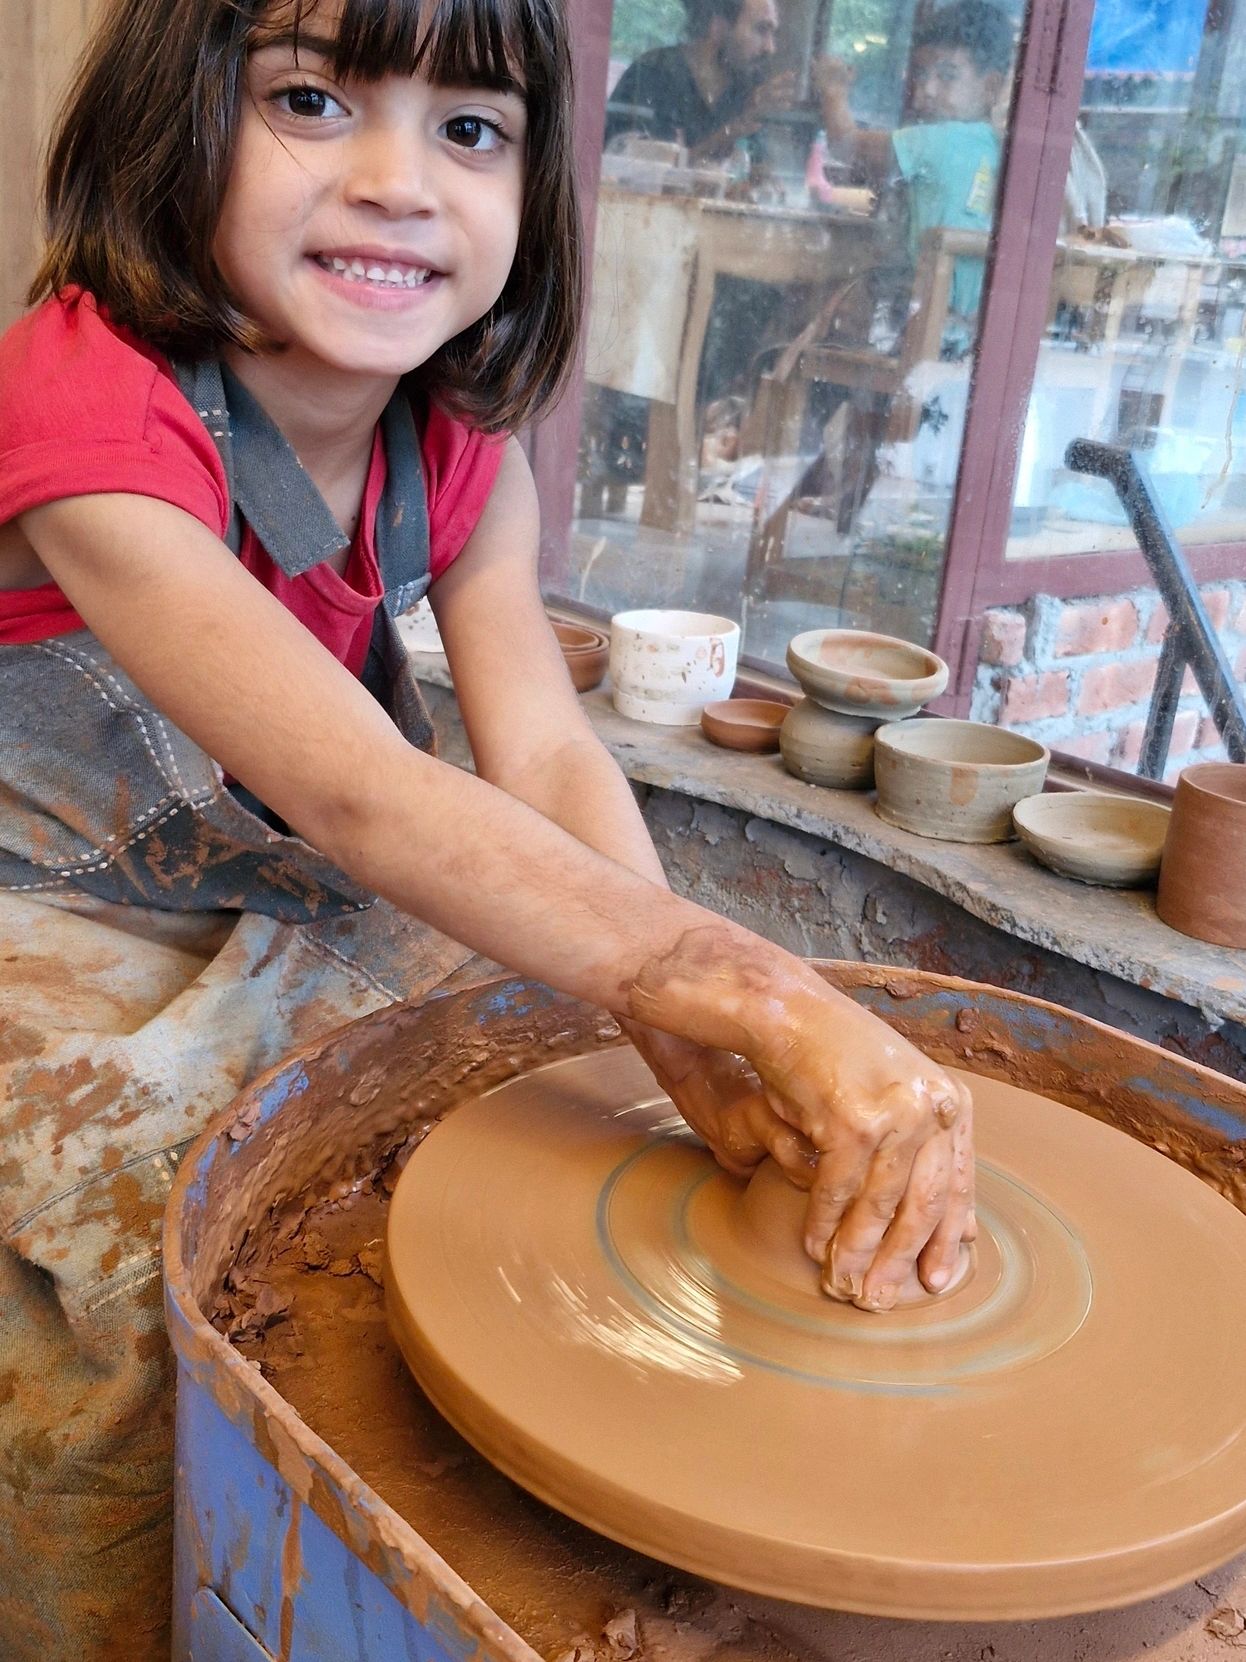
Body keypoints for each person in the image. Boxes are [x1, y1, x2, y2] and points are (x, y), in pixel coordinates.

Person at [0, 0, 974, 1653]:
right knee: (133, 1250)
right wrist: (746, 983)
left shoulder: (454, 446)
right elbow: (362, 788)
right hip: (41, 890)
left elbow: (542, 751)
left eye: (470, 130)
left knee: (490, 1099)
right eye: (312, 100)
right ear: (175, 124)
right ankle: (102, 1615)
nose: (400, 180)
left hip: (254, 860)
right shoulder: (85, 399)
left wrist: (675, 1025)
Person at [814, 0, 1016, 351]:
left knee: (819, 317)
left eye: (947, 76)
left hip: (925, 332)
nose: (928, 89)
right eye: (922, 75)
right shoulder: (997, 146)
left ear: (990, 88)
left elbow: (846, 144)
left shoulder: (940, 141)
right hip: (974, 338)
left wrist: (833, 91)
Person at [604, 0, 794, 162]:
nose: (770, 48)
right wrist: (737, 127)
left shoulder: (747, 87)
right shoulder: (654, 74)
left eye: (773, 33)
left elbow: (759, 170)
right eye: (761, 30)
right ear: (718, 27)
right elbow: (645, 172)